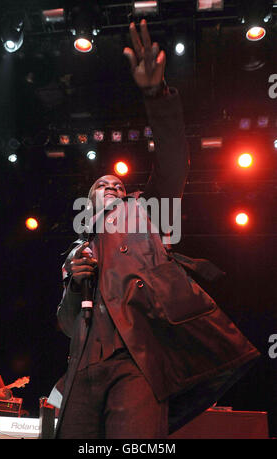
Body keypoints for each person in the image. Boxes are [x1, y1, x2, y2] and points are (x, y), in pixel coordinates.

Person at [55, 20, 260, 439]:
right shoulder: (79, 251)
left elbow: (172, 161)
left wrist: (156, 94)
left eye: (119, 184)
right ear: (89, 201)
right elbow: (65, 323)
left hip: (138, 361)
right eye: (102, 185)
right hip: (82, 372)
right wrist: (74, 287)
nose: (113, 185)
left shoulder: (144, 213)